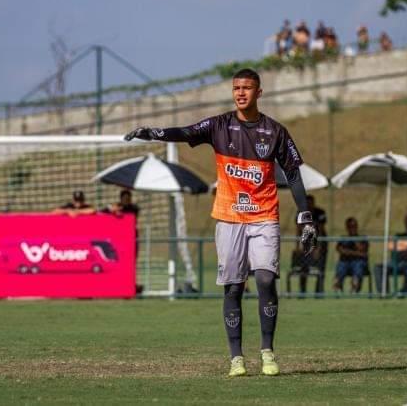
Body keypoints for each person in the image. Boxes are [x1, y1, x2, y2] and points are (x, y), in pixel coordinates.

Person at [124, 68, 317, 377]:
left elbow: (293, 173)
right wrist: (152, 132)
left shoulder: (275, 131)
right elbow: (186, 132)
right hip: (228, 218)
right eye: (237, 87)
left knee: (266, 280)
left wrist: (305, 216)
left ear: (259, 92)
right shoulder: (218, 125)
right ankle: (236, 358)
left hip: (264, 216)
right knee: (233, 288)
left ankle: (267, 351)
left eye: (247, 88)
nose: (241, 93)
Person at [374, 214, 407, 295]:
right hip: (395, 263)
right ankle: (384, 293)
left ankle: (403, 292)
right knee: (378, 268)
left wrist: (399, 244)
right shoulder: (398, 235)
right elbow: (390, 245)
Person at [332, 217, 368, 294]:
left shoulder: (362, 238)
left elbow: (363, 250)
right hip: (346, 262)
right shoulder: (343, 239)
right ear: (346, 227)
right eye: (350, 227)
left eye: (354, 226)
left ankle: (355, 286)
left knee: (358, 265)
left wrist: (354, 240)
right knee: (341, 265)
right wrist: (356, 253)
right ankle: (338, 285)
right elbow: (340, 250)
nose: (352, 228)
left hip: (358, 262)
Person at [304, 194, 327, 295]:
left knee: (321, 269)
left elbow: (321, 231)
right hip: (307, 243)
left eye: (310, 203)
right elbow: (298, 229)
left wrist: (319, 248)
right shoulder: (302, 213)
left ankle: (319, 292)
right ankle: (302, 292)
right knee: (304, 268)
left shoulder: (320, 213)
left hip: (320, 243)